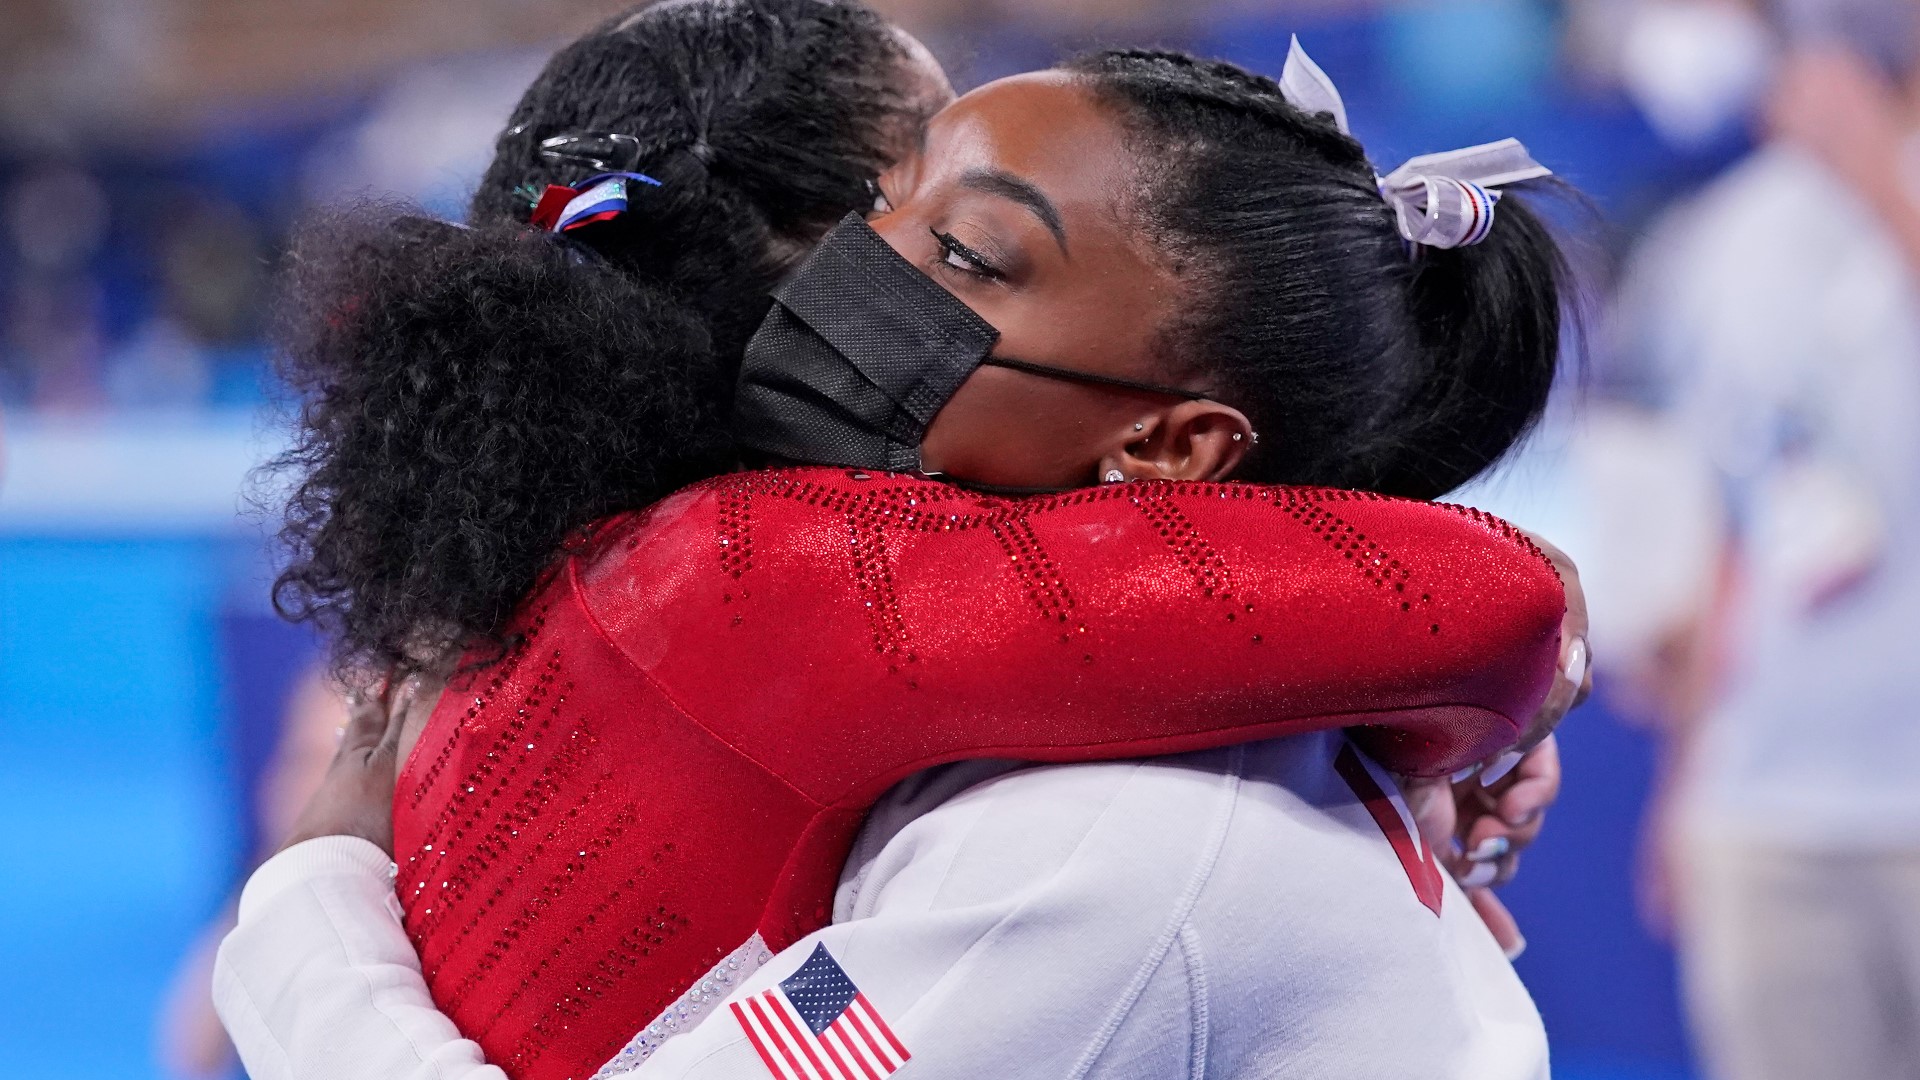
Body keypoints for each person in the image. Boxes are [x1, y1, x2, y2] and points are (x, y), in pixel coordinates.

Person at [216, 9, 1585, 1079]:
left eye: (966, 250)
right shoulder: (723, 605)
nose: (866, 281)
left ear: (1176, 442)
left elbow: (1473, 603)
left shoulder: (1102, 832)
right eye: (888, 205)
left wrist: (303, 900)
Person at [1621, 30, 1920, 1080]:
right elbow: (1725, 519)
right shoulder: (1724, 235)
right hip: (1766, 812)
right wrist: (1685, 786)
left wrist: (1878, 175)